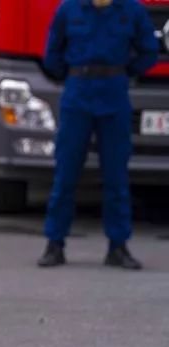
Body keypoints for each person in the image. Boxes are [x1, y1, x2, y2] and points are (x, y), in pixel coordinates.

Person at [38, 0, 158, 270]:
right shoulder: (69, 9)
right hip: (77, 94)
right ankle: (54, 244)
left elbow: (149, 52)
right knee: (66, 174)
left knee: (116, 177)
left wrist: (125, 73)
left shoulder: (132, 10)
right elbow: (52, 55)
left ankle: (118, 247)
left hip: (114, 96)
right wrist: (69, 77)